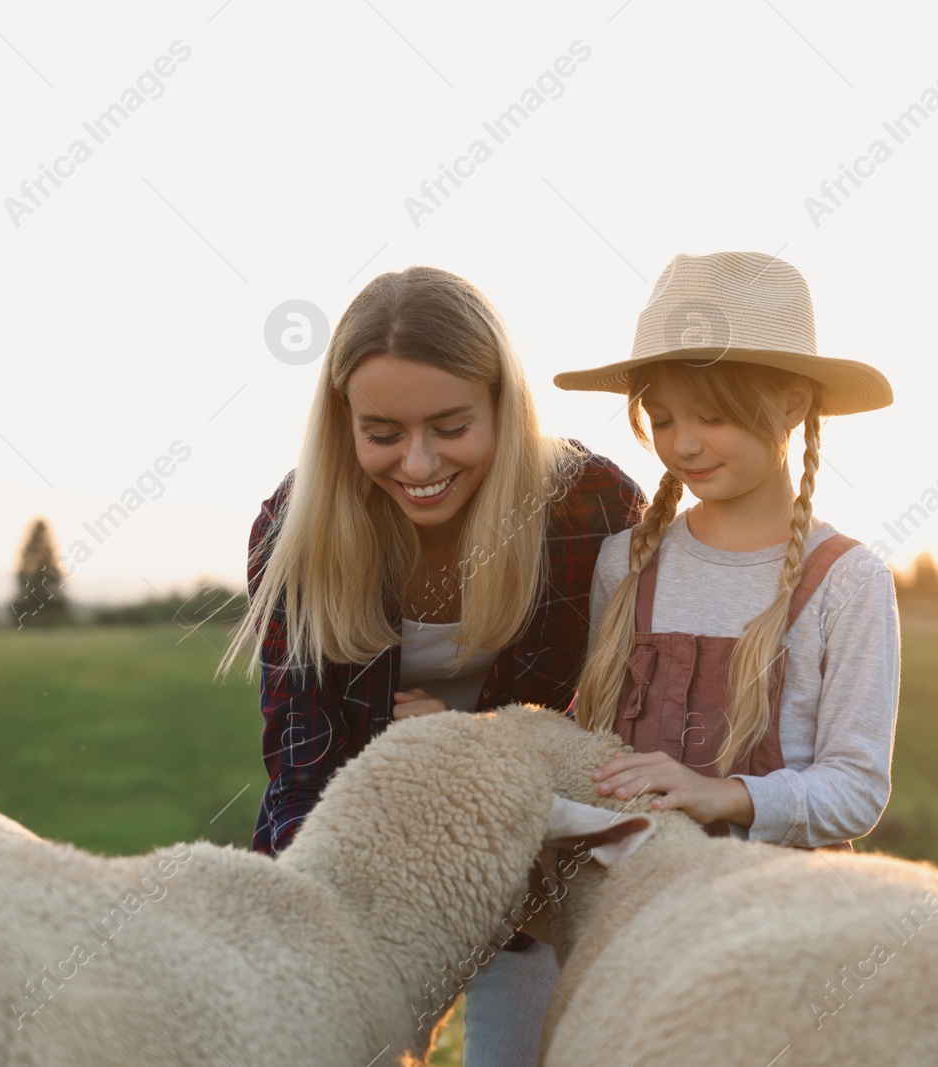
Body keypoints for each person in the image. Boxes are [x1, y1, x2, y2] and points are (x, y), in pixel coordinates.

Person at [220, 265, 646, 1066]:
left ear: (501, 406)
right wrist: (305, 922)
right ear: (342, 422)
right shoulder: (295, 527)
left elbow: (622, 719)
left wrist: (460, 741)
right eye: (382, 433)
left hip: (539, 849)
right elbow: (301, 755)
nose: (417, 463)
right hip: (366, 843)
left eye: (451, 427)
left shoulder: (592, 506)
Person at [556, 251, 901, 850]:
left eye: (712, 416)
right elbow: (590, 740)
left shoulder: (849, 581)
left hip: (769, 914)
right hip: (628, 897)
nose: (683, 445)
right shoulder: (627, 562)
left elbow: (857, 789)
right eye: (661, 419)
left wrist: (723, 794)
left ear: (793, 404)